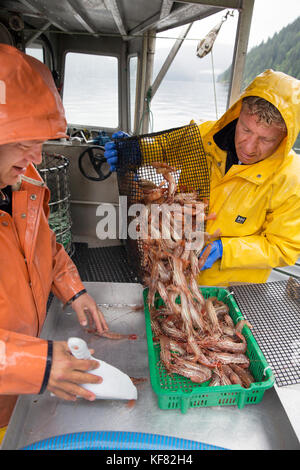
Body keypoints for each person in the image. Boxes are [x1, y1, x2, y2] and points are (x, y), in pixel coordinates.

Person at [0, 44, 109, 441]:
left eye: (43, 141)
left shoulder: (24, 184)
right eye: (26, 140)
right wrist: (39, 366)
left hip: (21, 389)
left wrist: (73, 290)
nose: (38, 157)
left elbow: (46, 248)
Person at [105, 69, 300, 287]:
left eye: (265, 139)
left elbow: (284, 246)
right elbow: (164, 148)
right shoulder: (203, 135)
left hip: (232, 289)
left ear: (284, 138)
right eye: (245, 129)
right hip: (173, 266)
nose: (249, 147)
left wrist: (226, 250)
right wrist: (136, 149)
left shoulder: (291, 179)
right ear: (238, 115)